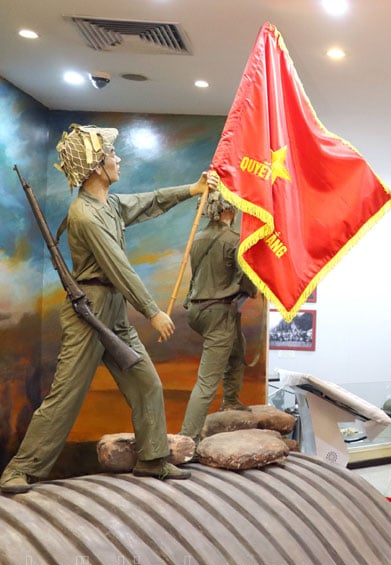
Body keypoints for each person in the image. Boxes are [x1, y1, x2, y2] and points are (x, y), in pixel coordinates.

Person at [0, 124, 216, 493]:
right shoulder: (85, 215)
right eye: (112, 155)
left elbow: (149, 201)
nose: (118, 159)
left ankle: (152, 458)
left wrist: (192, 190)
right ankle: (19, 470)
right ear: (97, 166)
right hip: (90, 313)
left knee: (147, 383)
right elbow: (118, 267)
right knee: (66, 397)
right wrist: (152, 311)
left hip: (112, 310)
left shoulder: (108, 204)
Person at [179, 193, 257, 444]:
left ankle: (231, 399)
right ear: (229, 210)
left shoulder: (198, 237)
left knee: (237, 349)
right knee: (207, 382)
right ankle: (186, 439)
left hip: (197, 310)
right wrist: (252, 289)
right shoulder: (234, 240)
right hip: (218, 312)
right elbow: (245, 278)